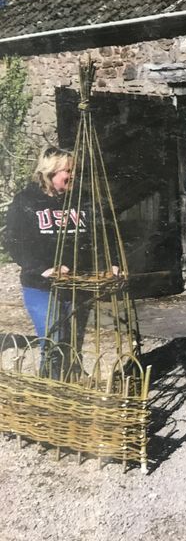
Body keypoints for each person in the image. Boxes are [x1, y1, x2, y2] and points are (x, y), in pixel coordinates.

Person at [4, 147, 84, 378]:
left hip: (75, 284)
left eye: (75, 171)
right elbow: (13, 242)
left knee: (72, 345)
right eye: (67, 171)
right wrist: (43, 268)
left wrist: (113, 262)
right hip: (41, 286)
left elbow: (100, 233)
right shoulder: (26, 201)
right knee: (53, 342)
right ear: (50, 173)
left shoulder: (80, 200)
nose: (73, 175)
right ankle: (52, 391)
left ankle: (69, 388)